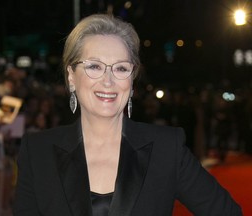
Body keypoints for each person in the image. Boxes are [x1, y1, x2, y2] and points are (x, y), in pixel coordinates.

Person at [13, 14, 242, 216]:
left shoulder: (166, 148)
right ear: (71, 76)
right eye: (94, 66)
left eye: (121, 68)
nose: (108, 80)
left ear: (132, 81)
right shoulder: (37, 152)